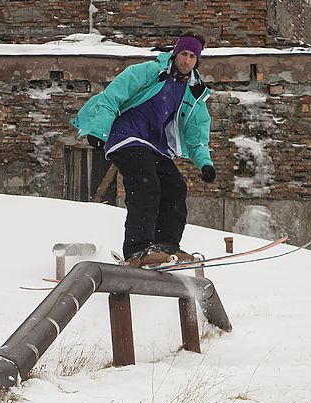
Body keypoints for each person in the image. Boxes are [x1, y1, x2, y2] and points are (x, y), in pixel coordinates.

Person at [71, 32, 216, 267]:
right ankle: (138, 249)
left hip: (154, 144)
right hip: (126, 135)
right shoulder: (150, 71)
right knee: (145, 181)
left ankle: (166, 246)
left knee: (175, 186)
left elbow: (197, 134)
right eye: (183, 54)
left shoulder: (194, 92)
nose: (186, 60)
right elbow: (113, 95)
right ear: (175, 54)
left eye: (192, 56)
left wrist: (205, 163)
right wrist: (98, 131)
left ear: (197, 61)